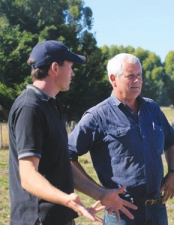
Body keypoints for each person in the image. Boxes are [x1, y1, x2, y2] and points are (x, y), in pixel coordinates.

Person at [8, 40, 136, 225]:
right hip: (38, 220)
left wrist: (101, 194)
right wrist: (67, 200)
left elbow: (61, 165)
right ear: (55, 68)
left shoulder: (49, 105)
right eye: (70, 66)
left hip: (58, 218)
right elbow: (28, 177)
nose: (73, 72)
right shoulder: (30, 107)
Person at [68, 53, 174, 225]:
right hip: (122, 212)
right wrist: (99, 192)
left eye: (139, 76)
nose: (137, 81)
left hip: (157, 208)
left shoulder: (152, 109)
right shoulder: (98, 116)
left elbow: (171, 141)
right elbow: (67, 156)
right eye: (130, 76)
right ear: (113, 79)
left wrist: (173, 172)